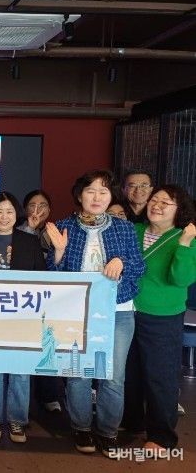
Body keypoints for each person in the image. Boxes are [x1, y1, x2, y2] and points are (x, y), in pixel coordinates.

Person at [46, 169, 145, 457]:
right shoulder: (64, 226)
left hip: (118, 310)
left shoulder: (124, 228)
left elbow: (140, 267)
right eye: (91, 191)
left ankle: (108, 432)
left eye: (103, 191)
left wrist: (121, 262)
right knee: (79, 373)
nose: (97, 197)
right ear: (80, 196)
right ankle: (81, 427)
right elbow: (53, 276)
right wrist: (58, 252)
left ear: (111, 196)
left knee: (113, 376)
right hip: (77, 312)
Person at [123, 185, 196, 454]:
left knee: (159, 377)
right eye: (155, 200)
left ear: (180, 210)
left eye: (166, 203)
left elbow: (180, 279)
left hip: (162, 317)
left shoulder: (185, 238)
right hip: (127, 312)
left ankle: (162, 436)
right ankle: (132, 423)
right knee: (129, 372)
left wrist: (185, 244)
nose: (157, 205)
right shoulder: (134, 230)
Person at [0, 192, 46, 443]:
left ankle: (17, 420)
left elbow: (42, 277)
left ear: (17, 214)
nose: (4, 217)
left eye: (9, 211)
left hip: (23, 316)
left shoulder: (30, 241)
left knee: (20, 372)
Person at [19, 189, 62, 412]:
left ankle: (49, 396)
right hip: (24, 299)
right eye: (32, 205)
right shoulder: (17, 230)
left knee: (48, 345)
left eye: (42, 205)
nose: (37, 210)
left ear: (50, 209)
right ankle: (20, 401)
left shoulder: (57, 230)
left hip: (51, 298)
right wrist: (30, 228)